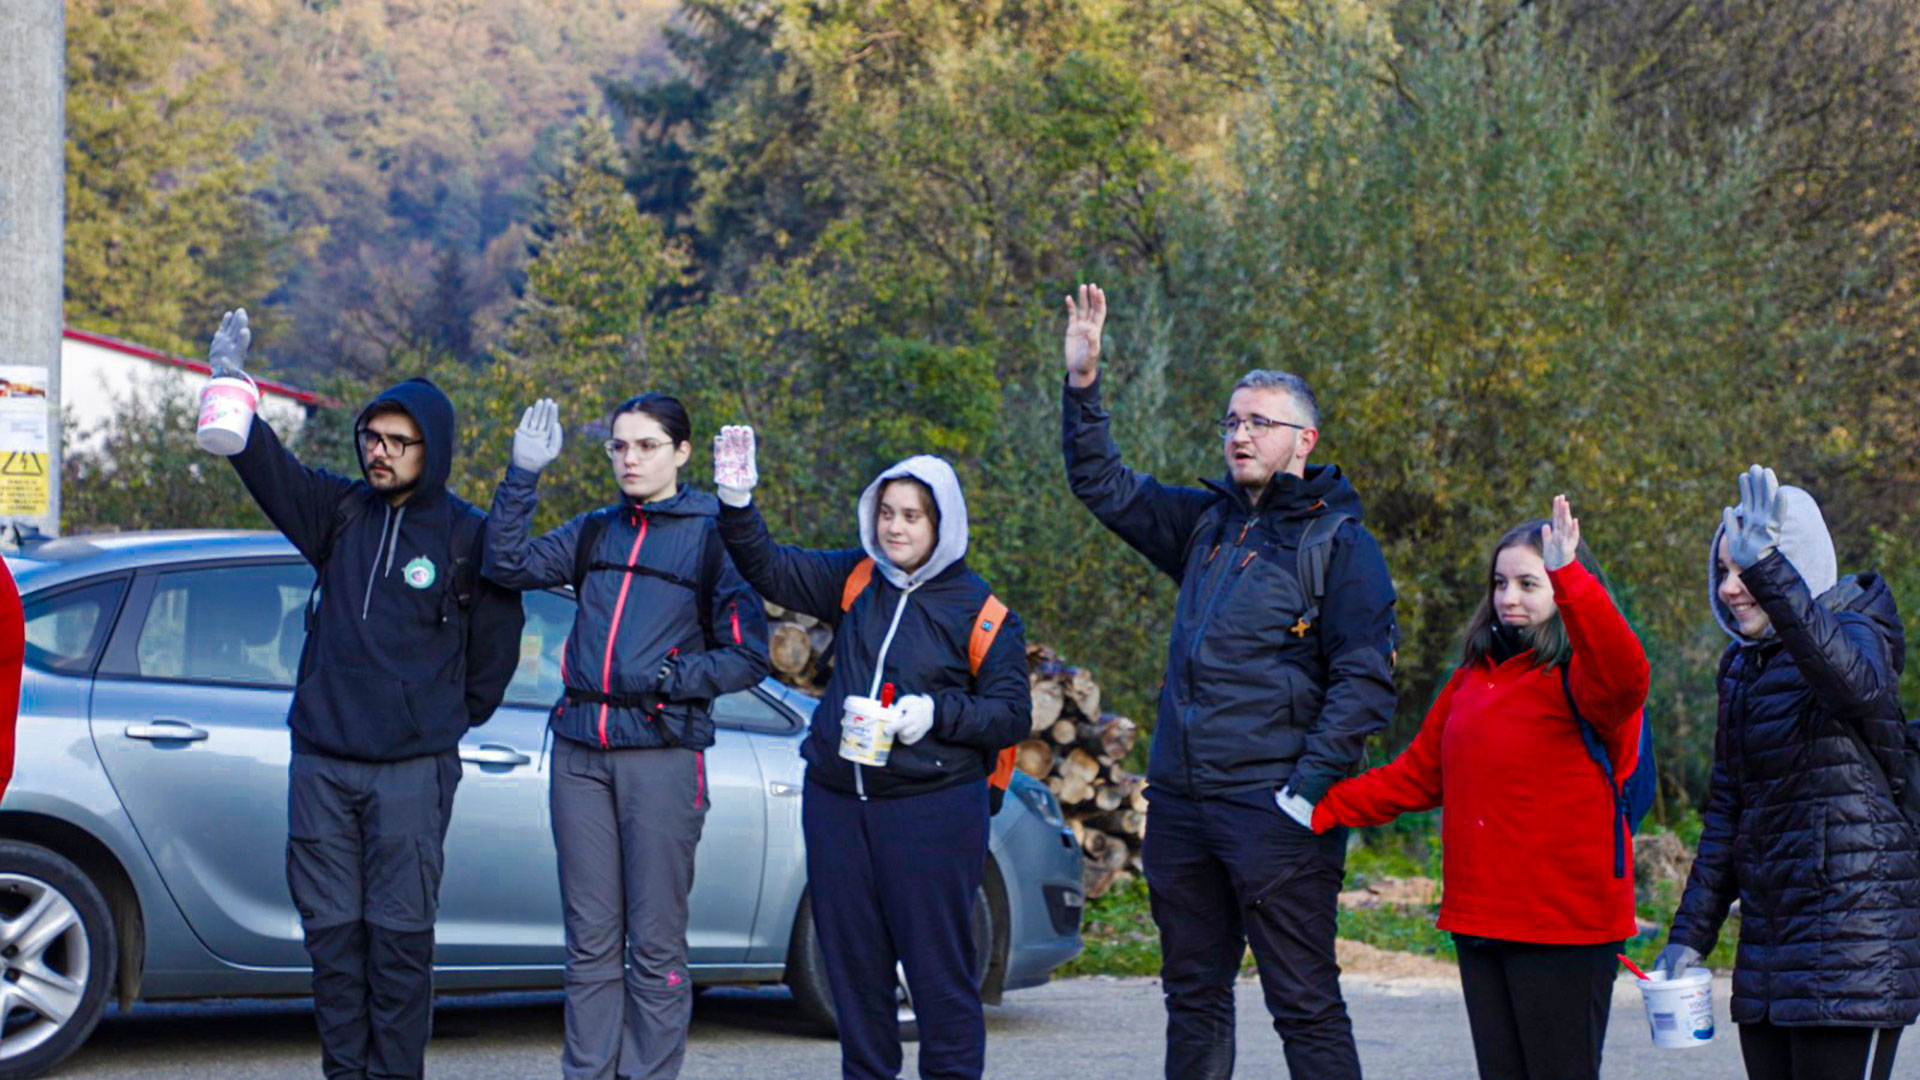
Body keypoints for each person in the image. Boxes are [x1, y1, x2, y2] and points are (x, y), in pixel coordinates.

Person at [1059, 284, 1398, 1079]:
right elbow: (1104, 484)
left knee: (1305, 1003)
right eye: (1233, 421)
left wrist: (1305, 792)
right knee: (1193, 996)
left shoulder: (1341, 545)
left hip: (1274, 812)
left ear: (1304, 440)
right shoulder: (1206, 524)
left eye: (1259, 423)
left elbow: (1364, 686)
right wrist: (1083, 384)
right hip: (1184, 807)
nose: (1240, 435)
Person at [204, 308, 525, 1080]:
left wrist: (438, 717)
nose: (378, 453)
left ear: (432, 450)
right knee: (333, 945)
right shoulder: (339, 513)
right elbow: (266, 467)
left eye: (396, 442)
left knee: (399, 947)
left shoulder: (466, 536)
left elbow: (497, 651)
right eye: (371, 438)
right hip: (323, 764)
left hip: (411, 772)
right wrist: (230, 385)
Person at [710, 429, 1030, 1080]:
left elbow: (1011, 714)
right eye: (886, 513)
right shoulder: (857, 578)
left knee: (940, 976)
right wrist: (737, 502)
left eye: (911, 516)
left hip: (932, 811)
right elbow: (769, 567)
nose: (894, 528)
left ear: (942, 523)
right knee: (854, 973)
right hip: (838, 805)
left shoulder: (983, 612)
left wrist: (935, 714)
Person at [1308, 496, 1650, 1080]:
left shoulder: (1587, 681)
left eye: (1528, 584)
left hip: (1564, 925)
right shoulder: (1473, 679)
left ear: (1561, 590)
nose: (1509, 597)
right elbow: (1418, 775)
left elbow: (1627, 673)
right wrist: (1320, 807)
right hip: (1480, 919)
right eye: (1500, 583)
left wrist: (1570, 575)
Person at [480, 395, 769, 1080]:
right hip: (579, 752)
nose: (629, 459)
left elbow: (749, 655)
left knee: (657, 946)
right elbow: (506, 563)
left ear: (682, 453)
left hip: (662, 754)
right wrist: (523, 474)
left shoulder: (715, 538)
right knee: (589, 943)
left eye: (646, 446)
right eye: (619, 446)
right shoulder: (594, 531)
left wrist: (672, 676)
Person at [1655, 465, 1917, 1080]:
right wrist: (1690, 935)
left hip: (1854, 954)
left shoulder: (1859, 626)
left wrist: (1771, 575)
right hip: (1772, 957)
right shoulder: (1741, 669)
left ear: (1790, 565)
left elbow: (1856, 687)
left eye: (1747, 569)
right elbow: (1727, 815)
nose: (1730, 588)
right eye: (1724, 571)